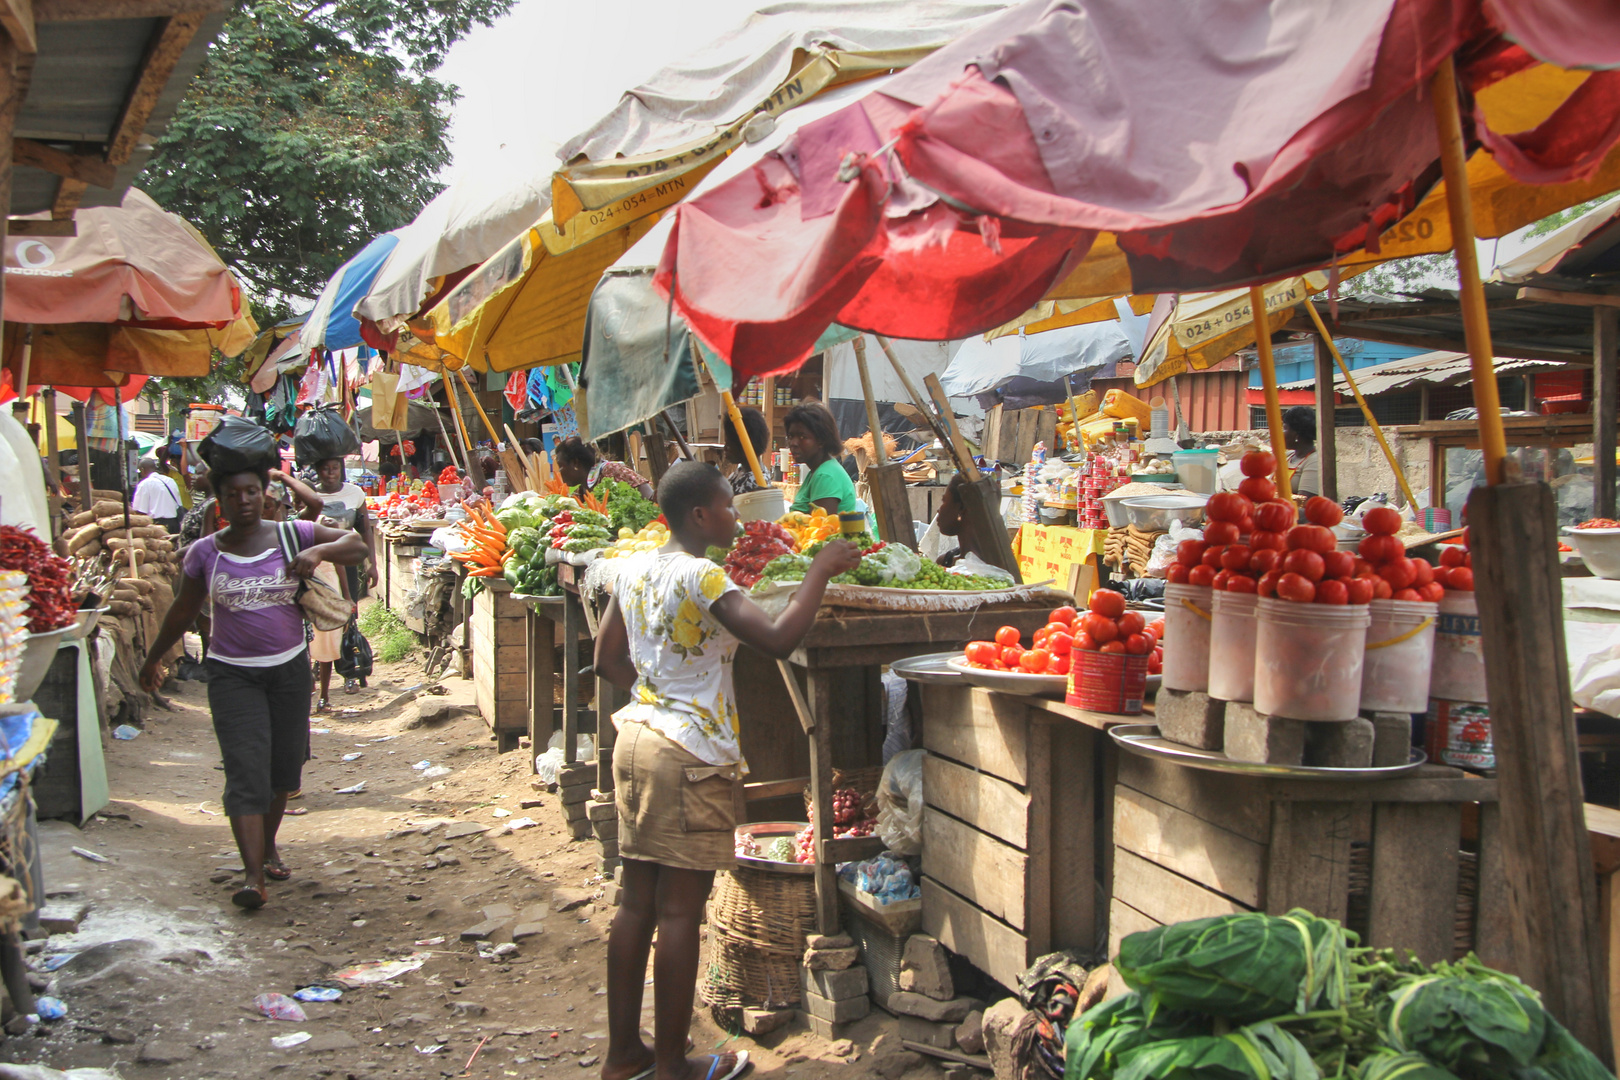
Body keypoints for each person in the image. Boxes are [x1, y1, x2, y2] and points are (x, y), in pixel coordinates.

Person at [593, 462, 859, 1080]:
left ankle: (623, 1055)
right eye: (729, 510)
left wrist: (661, 695)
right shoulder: (702, 575)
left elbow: (608, 660)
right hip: (686, 756)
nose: (738, 520)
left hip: (634, 738)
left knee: (636, 904)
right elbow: (778, 639)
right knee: (681, 911)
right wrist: (818, 572)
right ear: (699, 516)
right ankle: (670, 1066)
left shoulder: (629, 569)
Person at [139, 463, 366, 910]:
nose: (243, 500)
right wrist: (152, 660)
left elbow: (354, 543)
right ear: (218, 501)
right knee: (245, 770)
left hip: (287, 672)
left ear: (264, 494)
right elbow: (183, 611)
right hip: (231, 675)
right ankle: (251, 874)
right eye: (233, 493)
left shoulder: (291, 533)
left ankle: (268, 845)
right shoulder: (205, 553)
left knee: (283, 770)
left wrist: (319, 554)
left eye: (251, 492)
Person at [290, 459, 376, 704]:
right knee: (312, 633)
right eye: (324, 468)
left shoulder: (353, 494)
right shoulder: (295, 517)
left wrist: (372, 564)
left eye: (334, 468)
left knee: (345, 621)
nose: (329, 473)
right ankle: (316, 675)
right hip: (310, 582)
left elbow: (364, 530)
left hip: (342, 567)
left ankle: (350, 670)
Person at [784, 403, 857, 515]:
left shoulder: (825, 476)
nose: (793, 443)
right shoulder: (818, 471)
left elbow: (820, 528)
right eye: (790, 436)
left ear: (821, 440)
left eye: (803, 437)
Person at [555, 436, 656, 501]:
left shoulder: (611, 470)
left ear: (575, 463)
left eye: (561, 466)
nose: (559, 472)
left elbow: (648, 494)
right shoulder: (581, 490)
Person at [933, 472, 985, 568]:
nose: (939, 510)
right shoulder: (945, 561)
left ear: (961, 509)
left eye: (944, 501)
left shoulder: (986, 569)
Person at [723, 406, 771, 495]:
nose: (725, 448)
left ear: (744, 446)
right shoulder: (742, 470)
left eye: (729, 445)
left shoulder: (754, 483)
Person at [132, 456, 184, 533]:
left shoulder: (145, 484)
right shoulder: (170, 480)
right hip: (174, 523)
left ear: (142, 470)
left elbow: (140, 511)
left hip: (157, 525)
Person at [1283, 406, 1321, 500]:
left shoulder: (1314, 461)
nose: (1281, 433)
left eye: (1285, 428)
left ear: (1297, 434)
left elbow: (1303, 503)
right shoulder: (1287, 456)